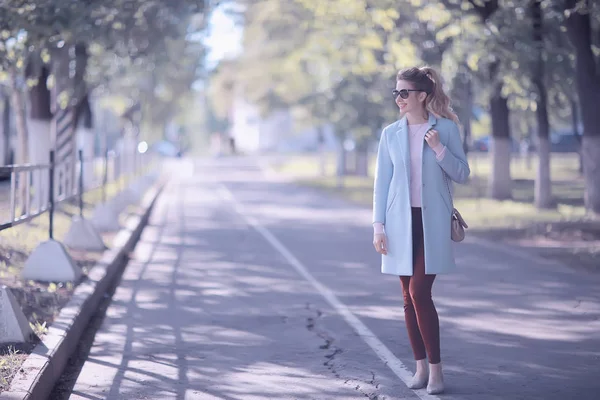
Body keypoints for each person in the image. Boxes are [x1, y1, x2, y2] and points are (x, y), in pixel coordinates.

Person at [371, 66, 470, 395]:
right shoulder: (390, 133)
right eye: (396, 92)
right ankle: (420, 368)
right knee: (406, 298)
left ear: (422, 96)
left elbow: (462, 173)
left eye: (404, 92)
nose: (398, 99)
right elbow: (381, 184)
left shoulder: (445, 129)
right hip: (399, 223)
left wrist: (439, 148)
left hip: (433, 222)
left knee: (418, 292)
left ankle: (437, 372)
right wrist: (378, 226)